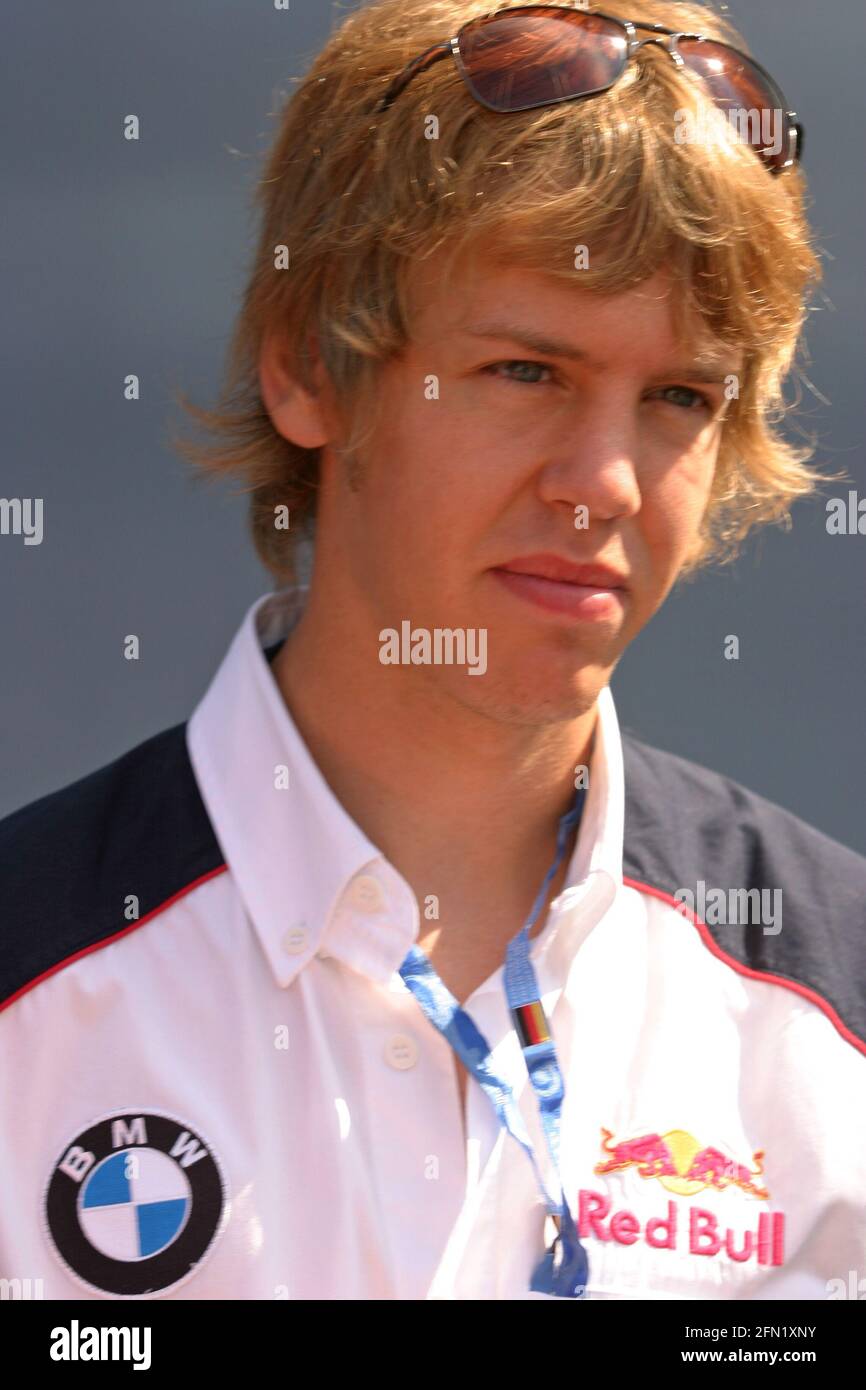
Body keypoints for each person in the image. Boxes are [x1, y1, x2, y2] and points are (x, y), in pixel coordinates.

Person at [1, 0, 863, 1302]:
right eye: (526, 370)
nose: (603, 482)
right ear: (308, 367)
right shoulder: (35, 986)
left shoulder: (832, 1000)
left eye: (678, 396)